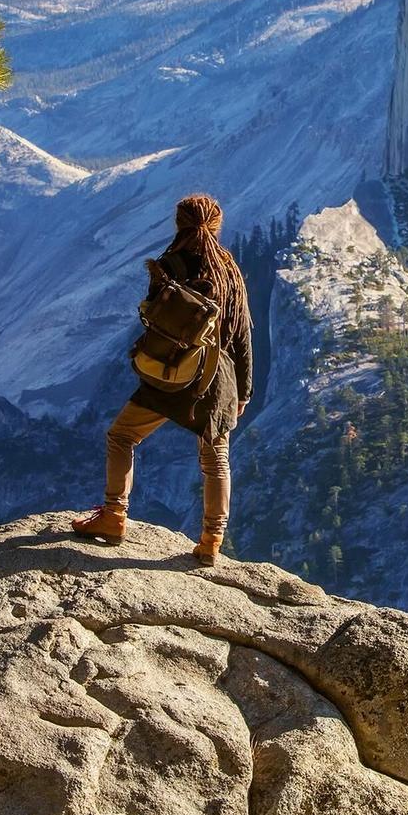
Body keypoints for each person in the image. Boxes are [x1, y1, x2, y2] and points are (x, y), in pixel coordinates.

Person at [72, 193, 253, 563]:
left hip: (171, 373)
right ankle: (210, 542)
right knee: (216, 459)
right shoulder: (229, 270)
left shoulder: (169, 265)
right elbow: (243, 334)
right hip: (216, 381)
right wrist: (244, 391)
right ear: (217, 227)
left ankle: (113, 515)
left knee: (122, 436)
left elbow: (155, 323)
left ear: (178, 224)